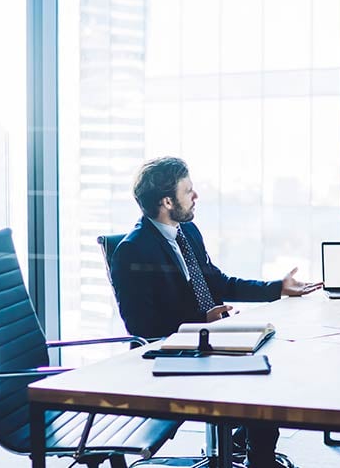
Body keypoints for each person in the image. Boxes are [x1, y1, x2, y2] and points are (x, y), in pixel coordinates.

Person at [110, 156, 320, 468]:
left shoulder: (187, 232)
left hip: (203, 343)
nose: (196, 197)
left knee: (269, 359)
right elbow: (141, 327)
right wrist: (199, 323)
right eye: (188, 191)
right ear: (167, 201)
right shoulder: (133, 249)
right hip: (168, 357)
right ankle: (257, 456)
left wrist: (277, 288)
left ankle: (251, 450)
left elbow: (218, 283)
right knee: (261, 377)